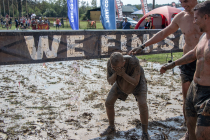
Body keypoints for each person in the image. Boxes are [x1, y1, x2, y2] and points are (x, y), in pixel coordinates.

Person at [129, 0, 202, 139]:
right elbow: (163, 33)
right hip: (187, 63)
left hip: (205, 61)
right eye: (181, 2)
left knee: (204, 97)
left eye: (185, 1)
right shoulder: (181, 17)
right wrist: (143, 46)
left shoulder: (206, 14)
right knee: (187, 99)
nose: (183, 5)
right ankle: (188, 130)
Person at [160, 2, 210, 139]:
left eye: (196, 18)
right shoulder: (203, 37)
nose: (193, 21)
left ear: (206, 17)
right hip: (195, 87)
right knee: (190, 127)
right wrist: (172, 64)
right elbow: (193, 54)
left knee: (203, 134)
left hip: (207, 92)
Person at [100, 52, 150, 139]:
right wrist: (116, 73)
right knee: (108, 102)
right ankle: (111, 127)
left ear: (124, 62)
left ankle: (145, 133)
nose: (116, 69)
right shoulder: (110, 63)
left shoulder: (133, 62)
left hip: (138, 83)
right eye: (114, 67)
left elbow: (135, 82)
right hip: (121, 82)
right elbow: (110, 81)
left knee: (142, 104)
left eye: (119, 67)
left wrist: (123, 74)